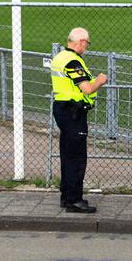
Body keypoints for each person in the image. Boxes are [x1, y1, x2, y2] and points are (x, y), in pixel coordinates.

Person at [50, 28, 108, 213]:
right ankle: (74, 200)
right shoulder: (73, 61)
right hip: (73, 112)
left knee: (67, 155)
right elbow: (87, 88)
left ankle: (66, 196)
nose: (87, 47)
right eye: (87, 43)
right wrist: (100, 80)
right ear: (81, 41)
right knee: (77, 158)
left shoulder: (59, 57)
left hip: (63, 109)